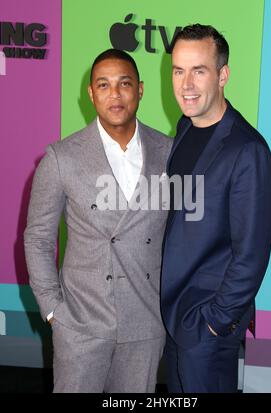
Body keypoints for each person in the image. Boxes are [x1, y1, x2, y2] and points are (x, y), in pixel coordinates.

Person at [24, 49, 172, 393]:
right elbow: (38, 239)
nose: (115, 94)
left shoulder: (169, 152)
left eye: (124, 83)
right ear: (91, 93)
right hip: (80, 323)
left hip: (145, 322)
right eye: (103, 85)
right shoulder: (62, 157)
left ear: (140, 89)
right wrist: (52, 311)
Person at [160, 24, 271, 393]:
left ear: (223, 75)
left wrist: (213, 323)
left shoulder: (248, 150)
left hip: (206, 329)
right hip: (174, 317)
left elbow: (251, 256)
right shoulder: (185, 127)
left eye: (199, 71)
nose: (186, 84)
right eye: (179, 70)